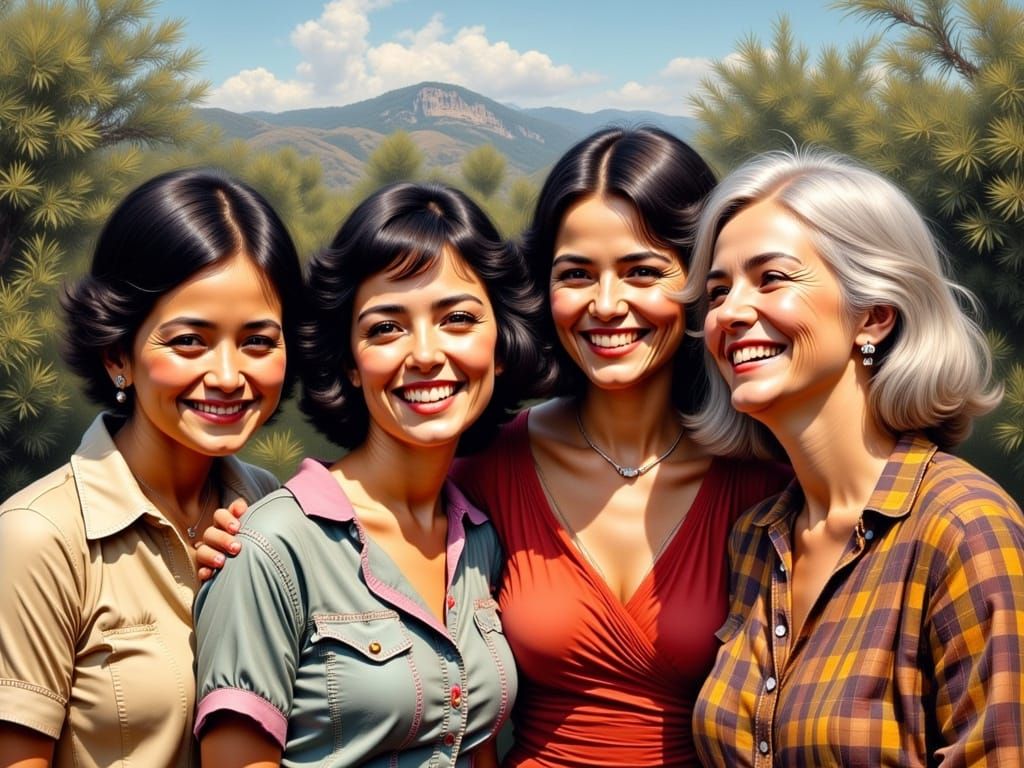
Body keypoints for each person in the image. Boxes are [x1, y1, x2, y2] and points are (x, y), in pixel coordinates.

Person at [445, 127, 791, 767]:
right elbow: (364, 548)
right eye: (576, 274)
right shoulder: (485, 471)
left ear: (700, 281)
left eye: (642, 272)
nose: (606, 305)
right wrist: (240, 524)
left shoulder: (768, 482)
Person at [193, 182, 549, 767]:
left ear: (501, 344)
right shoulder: (270, 548)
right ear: (350, 363)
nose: (427, 353)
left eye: (458, 318)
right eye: (387, 327)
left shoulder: (480, 538)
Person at [687, 149, 1024, 766]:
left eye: (771, 279)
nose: (729, 313)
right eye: (717, 290)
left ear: (871, 315)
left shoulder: (965, 529)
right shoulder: (756, 539)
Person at [0, 167, 304, 767]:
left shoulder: (268, 506)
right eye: (189, 340)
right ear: (119, 354)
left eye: (258, 341)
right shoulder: (40, 537)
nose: (226, 374)